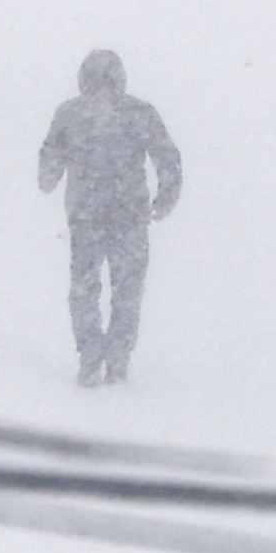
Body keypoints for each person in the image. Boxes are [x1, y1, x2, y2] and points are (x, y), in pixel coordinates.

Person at [37, 50, 181, 385]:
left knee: (85, 289)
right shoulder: (139, 113)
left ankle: (89, 358)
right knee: (127, 291)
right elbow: (168, 158)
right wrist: (166, 197)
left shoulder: (70, 114)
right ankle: (117, 358)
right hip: (129, 217)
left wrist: (49, 176)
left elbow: (49, 164)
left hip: (85, 218)